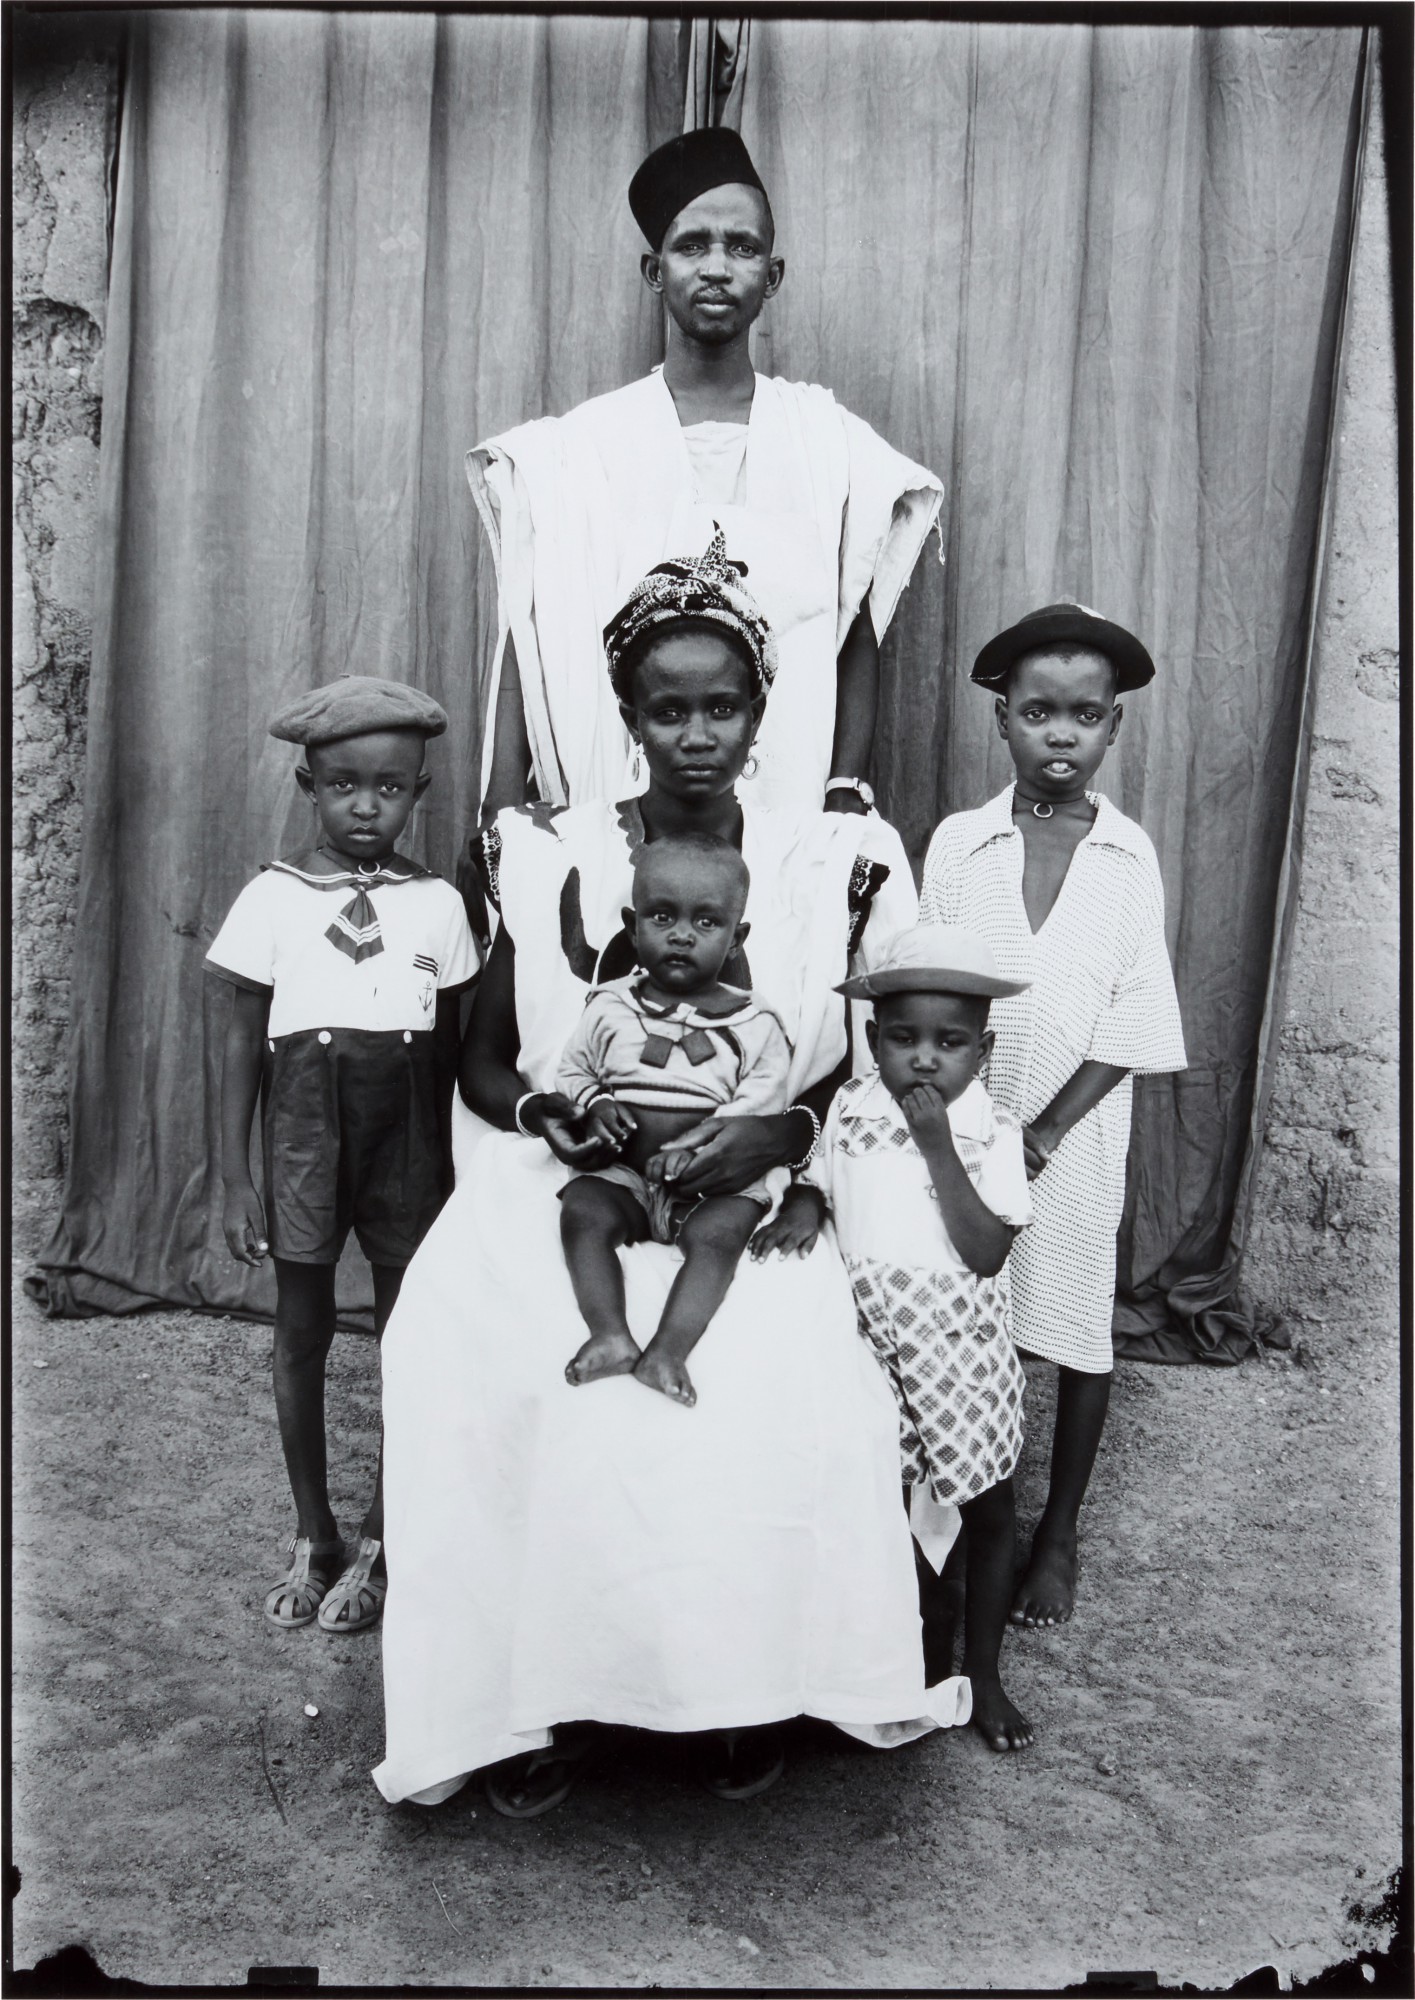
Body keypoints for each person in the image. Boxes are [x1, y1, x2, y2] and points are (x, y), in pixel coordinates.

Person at [374, 540, 970, 1818]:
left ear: (759, 713)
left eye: (721, 705)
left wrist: (780, 1148)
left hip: (746, 1177)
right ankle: (531, 1695)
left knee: (772, 1341)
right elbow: (482, 1058)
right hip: (569, 1160)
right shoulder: (539, 849)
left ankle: (740, 1690)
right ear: (626, 716)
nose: (694, 732)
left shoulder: (837, 855)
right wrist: (552, 1115)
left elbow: (879, 1062)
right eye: (665, 708)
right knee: (488, 1325)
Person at [468, 125, 943, 817]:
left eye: (742, 247)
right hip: (614, 807)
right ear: (654, 270)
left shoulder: (827, 442)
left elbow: (852, 631)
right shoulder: (578, 448)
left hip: (789, 807)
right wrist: (501, 806)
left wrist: (843, 790)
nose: (716, 267)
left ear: (771, 276)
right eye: (691, 245)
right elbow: (529, 635)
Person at [919, 603, 1186, 1628]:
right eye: (1038, 712)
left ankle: (1056, 1528)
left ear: (1113, 727)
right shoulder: (958, 843)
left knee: (1071, 1321)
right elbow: (924, 986)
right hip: (964, 1126)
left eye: (1083, 715)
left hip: (1071, 1134)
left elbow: (1133, 1013)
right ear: (1001, 722)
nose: (1059, 733)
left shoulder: (1125, 857)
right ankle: (940, 1517)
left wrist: (1043, 1129)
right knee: (956, 1311)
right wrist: (954, 1128)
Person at [206, 677, 479, 1634]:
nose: (368, 807)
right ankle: (314, 1531)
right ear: (306, 785)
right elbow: (241, 1040)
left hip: (406, 1134)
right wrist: (236, 1178)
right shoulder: (272, 897)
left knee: (411, 1341)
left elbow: (448, 1049)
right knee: (303, 1332)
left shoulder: (440, 903)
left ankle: (384, 1539)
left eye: (392, 788)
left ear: (421, 790)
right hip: (305, 1132)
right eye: (344, 786)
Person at [753, 923, 1036, 1752]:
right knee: (880, 1514)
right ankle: (897, 1659)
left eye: (948, 1044)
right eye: (903, 1040)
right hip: (868, 1344)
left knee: (983, 1509)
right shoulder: (849, 1106)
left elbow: (985, 1251)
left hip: (959, 1348)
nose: (923, 1060)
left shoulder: (992, 1130)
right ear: (873, 1041)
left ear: (980, 1052)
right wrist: (806, 1204)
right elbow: (822, 1184)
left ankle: (982, 1674)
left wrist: (938, 1147)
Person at [553, 833, 792, 1406]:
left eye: (707, 923)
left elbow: (762, 1098)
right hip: (626, 1177)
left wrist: (707, 1141)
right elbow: (571, 1072)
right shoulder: (609, 1006)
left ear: (738, 938)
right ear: (634, 927)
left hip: (710, 1187)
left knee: (723, 1235)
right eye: (663, 916)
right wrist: (594, 1105)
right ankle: (609, 1333)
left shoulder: (757, 1022)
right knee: (582, 1210)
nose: (682, 934)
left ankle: (667, 1351)